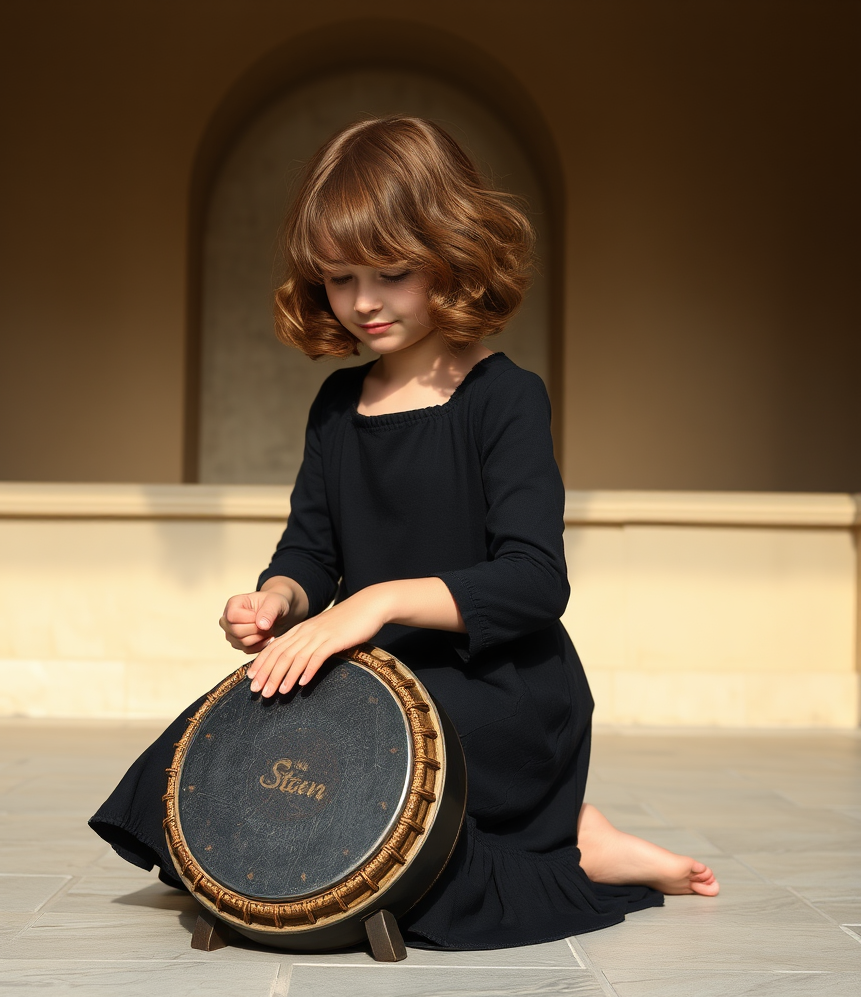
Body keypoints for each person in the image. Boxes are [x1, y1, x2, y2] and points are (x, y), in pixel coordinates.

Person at [89, 115, 718, 950]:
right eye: (341, 277)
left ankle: (576, 840)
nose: (363, 302)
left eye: (391, 272)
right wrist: (277, 600)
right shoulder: (337, 408)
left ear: (454, 256)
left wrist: (375, 604)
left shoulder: (506, 398)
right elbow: (311, 548)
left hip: (499, 682)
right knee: (211, 751)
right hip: (378, 668)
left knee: (390, 814)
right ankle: (553, 830)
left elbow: (536, 580)